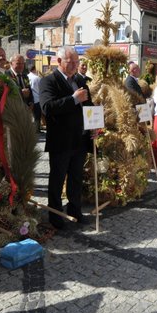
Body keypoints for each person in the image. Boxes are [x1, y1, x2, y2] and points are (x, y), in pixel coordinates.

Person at [39, 46, 93, 229]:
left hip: (80, 139)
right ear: (59, 61)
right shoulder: (48, 81)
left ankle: (75, 211)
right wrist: (73, 99)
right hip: (61, 141)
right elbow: (47, 108)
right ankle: (55, 216)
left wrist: (95, 125)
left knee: (76, 178)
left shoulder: (80, 80)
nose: (74, 66)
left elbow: (89, 106)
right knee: (57, 179)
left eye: (76, 62)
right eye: (70, 62)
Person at [27, 65, 43, 132]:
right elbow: (41, 88)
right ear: (34, 69)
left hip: (29, 98)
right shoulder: (37, 78)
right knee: (37, 115)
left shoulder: (27, 76)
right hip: (37, 98)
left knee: (29, 115)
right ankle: (37, 129)